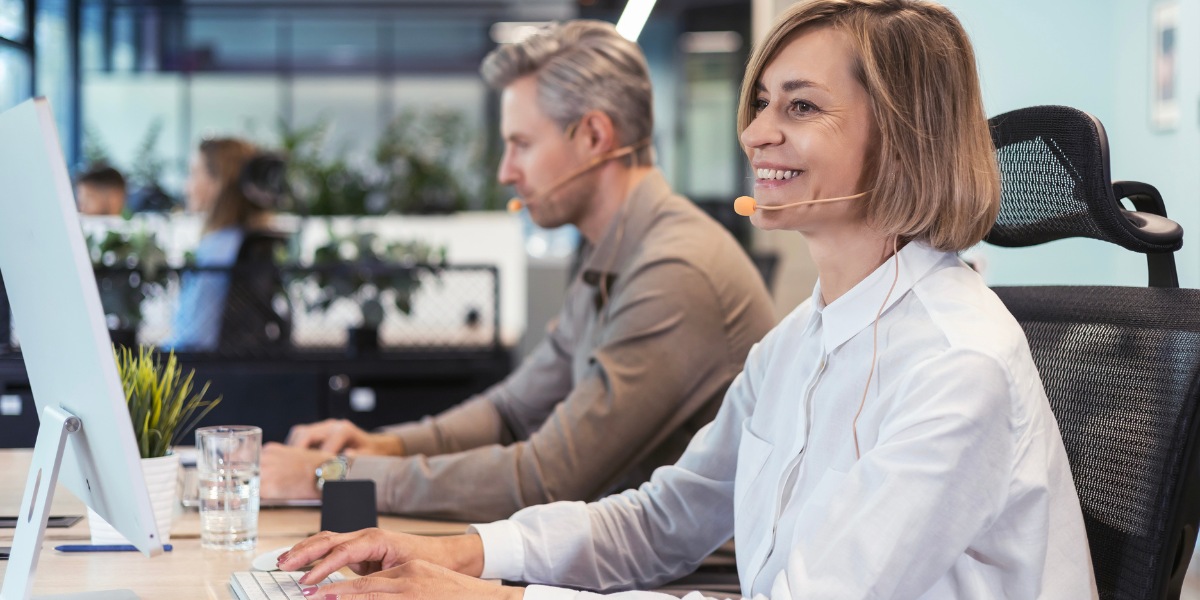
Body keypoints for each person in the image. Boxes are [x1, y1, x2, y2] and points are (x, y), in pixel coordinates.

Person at [273, 1, 1098, 598]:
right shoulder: (800, 341)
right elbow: (661, 520)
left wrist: (494, 599)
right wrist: (461, 556)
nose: (756, 132)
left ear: (905, 135)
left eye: (801, 106)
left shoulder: (957, 365)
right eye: (763, 101)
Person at [259, 20, 776, 522]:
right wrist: (383, 445)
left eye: (521, 144)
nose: (506, 171)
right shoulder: (614, 251)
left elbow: (547, 478)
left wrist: (333, 475)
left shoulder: (673, 270)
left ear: (594, 136)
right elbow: (511, 410)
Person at [163, 138, 274, 351]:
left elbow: (192, 336)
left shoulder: (217, 248)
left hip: (200, 374)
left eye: (194, 173)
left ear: (218, 183)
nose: (187, 187)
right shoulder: (246, 240)